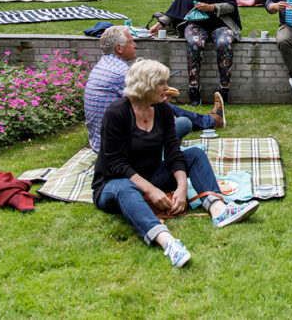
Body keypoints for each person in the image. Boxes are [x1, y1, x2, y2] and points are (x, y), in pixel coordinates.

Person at [92, 59, 259, 268]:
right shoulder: (116, 113)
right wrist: (151, 190)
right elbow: (116, 164)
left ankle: (218, 210)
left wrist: (182, 187)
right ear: (146, 85)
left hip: (152, 175)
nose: (167, 88)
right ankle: (168, 242)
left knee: (196, 153)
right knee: (125, 188)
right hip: (114, 183)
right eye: (162, 83)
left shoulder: (162, 109)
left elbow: (173, 151)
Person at [83, 26, 223, 153]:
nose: (136, 46)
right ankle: (211, 121)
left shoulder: (102, 66)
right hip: (120, 147)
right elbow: (148, 109)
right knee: (183, 123)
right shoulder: (122, 73)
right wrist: (163, 105)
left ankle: (212, 120)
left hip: (98, 142)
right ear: (119, 48)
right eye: (131, 42)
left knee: (166, 108)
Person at [150, 0, 240, 105]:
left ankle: (224, 88)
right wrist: (161, 23)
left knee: (224, 43)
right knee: (194, 43)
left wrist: (211, 7)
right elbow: (176, 6)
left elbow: (231, 5)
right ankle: (194, 88)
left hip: (220, 24)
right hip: (195, 25)